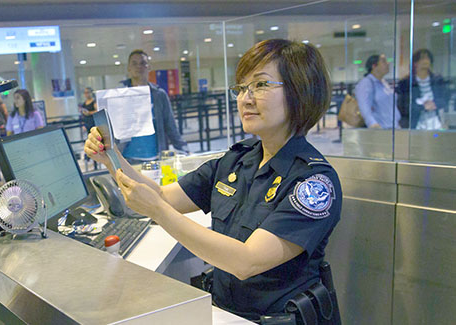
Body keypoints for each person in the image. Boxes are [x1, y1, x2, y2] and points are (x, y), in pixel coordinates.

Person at [85, 39, 341, 321]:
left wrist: (158, 211)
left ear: (299, 92)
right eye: (242, 88)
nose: (246, 98)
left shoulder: (312, 182)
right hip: (224, 313)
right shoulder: (237, 161)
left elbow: (246, 261)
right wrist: (111, 158)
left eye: (261, 85)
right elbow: (162, 196)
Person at [119, 49, 187, 163]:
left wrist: (183, 148)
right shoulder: (120, 96)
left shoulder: (159, 95)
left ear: (148, 67)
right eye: (134, 63)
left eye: (142, 63)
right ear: (128, 68)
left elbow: (170, 125)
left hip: (156, 157)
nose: (138, 67)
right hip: (128, 159)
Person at [396, 49, 451, 130]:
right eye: (422, 58)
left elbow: (445, 99)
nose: (425, 61)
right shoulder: (406, 83)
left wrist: (434, 104)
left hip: (436, 124)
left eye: (427, 58)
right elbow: (403, 105)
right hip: (414, 125)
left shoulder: (438, 80)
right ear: (415, 63)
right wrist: (423, 107)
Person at [354, 54, 400, 128]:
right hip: (380, 129)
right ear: (374, 66)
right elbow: (364, 106)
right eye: (383, 62)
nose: (388, 63)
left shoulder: (384, 83)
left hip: (392, 127)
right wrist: (372, 123)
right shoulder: (366, 83)